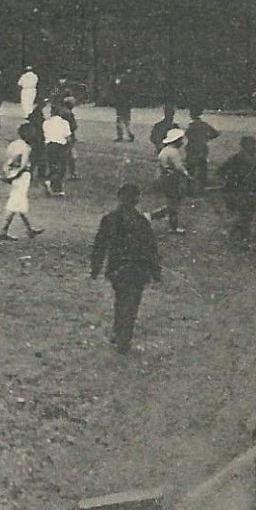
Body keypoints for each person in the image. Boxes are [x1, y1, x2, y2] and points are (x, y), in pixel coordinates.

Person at [90, 185, 162, 354]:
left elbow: (100, 245)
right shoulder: (142, 222)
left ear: (119, 198)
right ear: (137, 200)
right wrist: (155, 270)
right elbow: (151, 248)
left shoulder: (109, 219)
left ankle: (118, 329)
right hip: (138, 269)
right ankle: (124, 336)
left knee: (121, 298)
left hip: (118, 268)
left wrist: (96, 267)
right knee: (132, 303)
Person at [0, 126, 43, 240]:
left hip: (12, 172)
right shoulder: (26, 148)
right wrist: (15, 176)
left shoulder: (14, 144)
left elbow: (8, 159)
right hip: (22, 176)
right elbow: (23, 165)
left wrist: (9, 174)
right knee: (15, 202)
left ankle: (29, 229)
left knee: (20, 201)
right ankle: (3, 231)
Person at [216, 135, 256, 242]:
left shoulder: (235, 158)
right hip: (244, 191)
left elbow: (221, 171)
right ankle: (241, 236)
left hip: (236, 191)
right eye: (252, 145)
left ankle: (236, 234)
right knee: (246, 216)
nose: (254, 148)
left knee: (241, 215)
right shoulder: (252, 161)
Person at [147, 127, 191, 233]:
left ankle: (154, 216)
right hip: (172, 179)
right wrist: (187, 176)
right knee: (174, 203)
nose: (182, 142)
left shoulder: (164, 151)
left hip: (165, 178)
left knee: (172, 202)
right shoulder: (174, 152)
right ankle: (170, 225)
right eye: (180, 140)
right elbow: (179, 167)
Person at [184, 107, 219, 190]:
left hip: (192, 148)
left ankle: (190, 186)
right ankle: (202, 185)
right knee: (202, 166)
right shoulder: (204, 125)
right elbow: (216, 133)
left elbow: (187, 135)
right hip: (202, 147)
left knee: (190, 167)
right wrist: (207, 138)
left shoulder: (191, 126)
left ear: (191, 115)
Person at [41, 105, 72, 195]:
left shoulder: (46, 123)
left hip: (49, 146)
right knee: (61, 167)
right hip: (61, 146)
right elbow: (68, 136)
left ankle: (54, 185)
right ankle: (55, 186)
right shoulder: (64, 123)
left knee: (53, 165)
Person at [108, 74, 133, 142]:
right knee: (122, 119)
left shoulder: (120, 80)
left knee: (123, 119)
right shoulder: (117, 80)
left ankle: (125, 134)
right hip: (121, 102)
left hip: (123, 102)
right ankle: (125, 134)